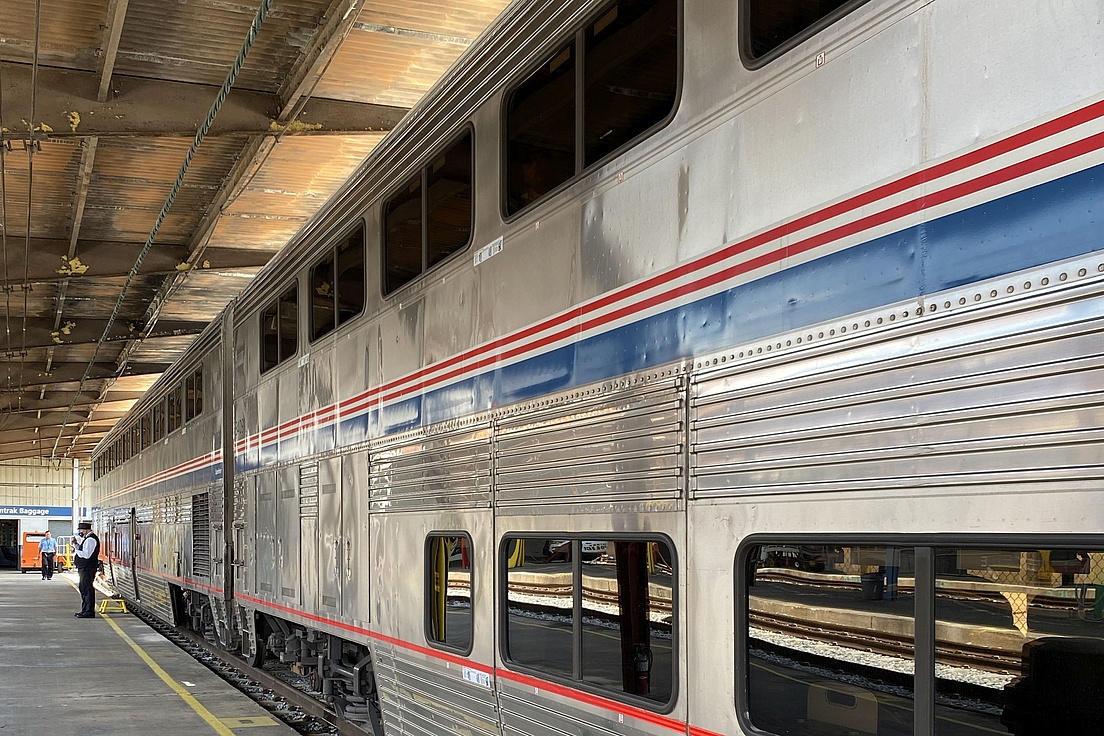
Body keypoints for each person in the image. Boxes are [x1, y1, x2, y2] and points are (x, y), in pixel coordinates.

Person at [72, 521, 100, 618]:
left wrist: (76, 550)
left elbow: (86, 555)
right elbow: (82, 551)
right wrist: (76, 545)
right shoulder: (87, 539)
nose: (80, 532)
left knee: (87, 589)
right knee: (83, 588)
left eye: (81, 530)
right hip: (84, 568)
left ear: (85, 530)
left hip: (87, 568)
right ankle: (85, 610)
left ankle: (89, 611)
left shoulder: (90, 540)